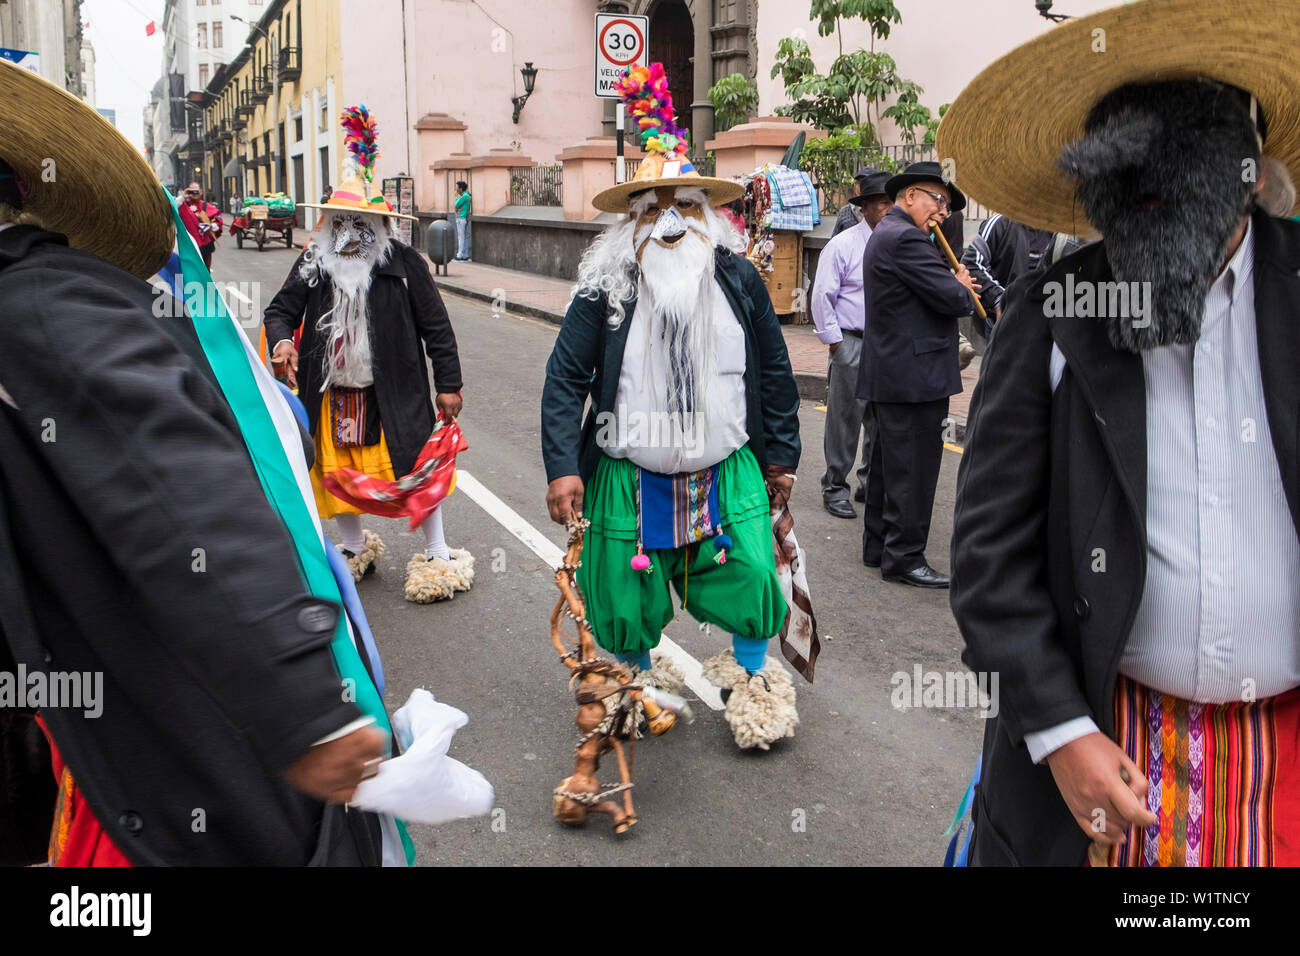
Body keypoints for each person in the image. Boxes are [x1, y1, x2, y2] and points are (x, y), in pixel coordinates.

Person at [0, 61, 386, 865]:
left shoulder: (36, 306)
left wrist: (306, 701)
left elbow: (183, 490)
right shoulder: (315, 265)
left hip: (132, 769)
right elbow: (287, 303)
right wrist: (284, 337)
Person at [942, 0, 1300, 866]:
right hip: (1104, 764)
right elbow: (990, 561)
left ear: (1250, 169)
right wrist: (1060, 732)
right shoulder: (1050, 317)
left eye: (1182, 145)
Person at [542, 62, 802, 749]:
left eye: (683, 206)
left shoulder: (739, 278)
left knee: (749, 575)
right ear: (631, 220)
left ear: (707, 215)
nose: (667, 224)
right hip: (630, 472)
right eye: (651, 209)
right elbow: (567, 376)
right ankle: (633, 686)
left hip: (727, 469)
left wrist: (781, 458)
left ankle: (752, 683)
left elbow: (775, 371)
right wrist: (563, 467)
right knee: (622, 596)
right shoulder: (605, 288)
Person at [265, 109, 472, 604]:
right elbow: (279, 310)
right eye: (340, 221)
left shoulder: (405, 264)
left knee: (416, 468)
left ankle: (438, 552)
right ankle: (355, 547)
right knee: (338, 473)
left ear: (378, 223)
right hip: (331, 390)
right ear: (330, 223)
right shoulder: (315, 262)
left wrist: (448, 384)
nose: (349, 230)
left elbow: (436, 326)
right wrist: (282, 342)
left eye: (359, 221)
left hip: (394, 392)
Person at [856, 161, 977, 588]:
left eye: (947, 207)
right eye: (938, 201)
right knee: (914, 471)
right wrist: (959, 281)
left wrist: (952, 281)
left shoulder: (892, 233)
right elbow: (953, 299)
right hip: (912, 375)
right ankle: (904, 557)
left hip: (897, 372)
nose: (943, 213)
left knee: (890, 466)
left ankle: (879, 546)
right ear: (910, 196)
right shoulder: (906, 237)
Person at [810, 170, 892, 518]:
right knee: (845, 418)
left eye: (893, 202)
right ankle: (834, 486)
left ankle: (869, 483)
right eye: (883, 203)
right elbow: (821, 296)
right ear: (866, 207)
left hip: (887, 344)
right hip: (852, 340)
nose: (889, 209)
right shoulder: (842, 245)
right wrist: (835, 342)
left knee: (881, 420)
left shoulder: (900, 244)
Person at [960, 213, 1053, 339]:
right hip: (1004, 322)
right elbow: (970, 265)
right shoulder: (1001, 223)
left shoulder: (1058, 232)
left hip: (1042, 325)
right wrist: (999, 300)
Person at [178, 180, 222, 270]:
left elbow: (218, 221)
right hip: (189, 246)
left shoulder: (207, 206)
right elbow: (172, 207)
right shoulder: (182, 205)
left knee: (206, 271)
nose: (194, 193)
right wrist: (183, 196)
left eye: (196, 190)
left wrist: (210, 226)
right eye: (191, 190)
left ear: (201, 192)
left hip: (206, 245)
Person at [831, 166, 876, 236]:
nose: (860, 187)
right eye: (858, 183)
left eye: (865, 183)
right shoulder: (845, 212)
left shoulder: (881, 212)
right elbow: (834, 239)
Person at [453, 180, 472, 260]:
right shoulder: (466, 195)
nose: (456, 188)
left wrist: (456, 196)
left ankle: (460, 254)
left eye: (457, 187)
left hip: (461, 218)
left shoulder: (464, 196)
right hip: (463, 218)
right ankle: (465, 254)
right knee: (464, 237)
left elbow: (456, 205)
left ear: (461, 189)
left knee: (461, 237)